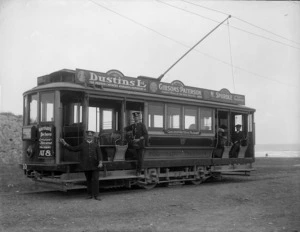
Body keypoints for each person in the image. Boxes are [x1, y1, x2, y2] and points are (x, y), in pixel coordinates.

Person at [60, 131, 103, 201]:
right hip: (86, 166)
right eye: (88, 136)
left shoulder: (96, 145)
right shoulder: (82, 145)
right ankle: (89, 195)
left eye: (91, 136)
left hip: (95, 166)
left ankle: (96, 195)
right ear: (86, 137)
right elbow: (73, 149)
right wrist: (64, 143)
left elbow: (99, 154)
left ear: (92, 137)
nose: (89, 137)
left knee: (95, 180)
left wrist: (100, 162)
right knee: (88, 181)